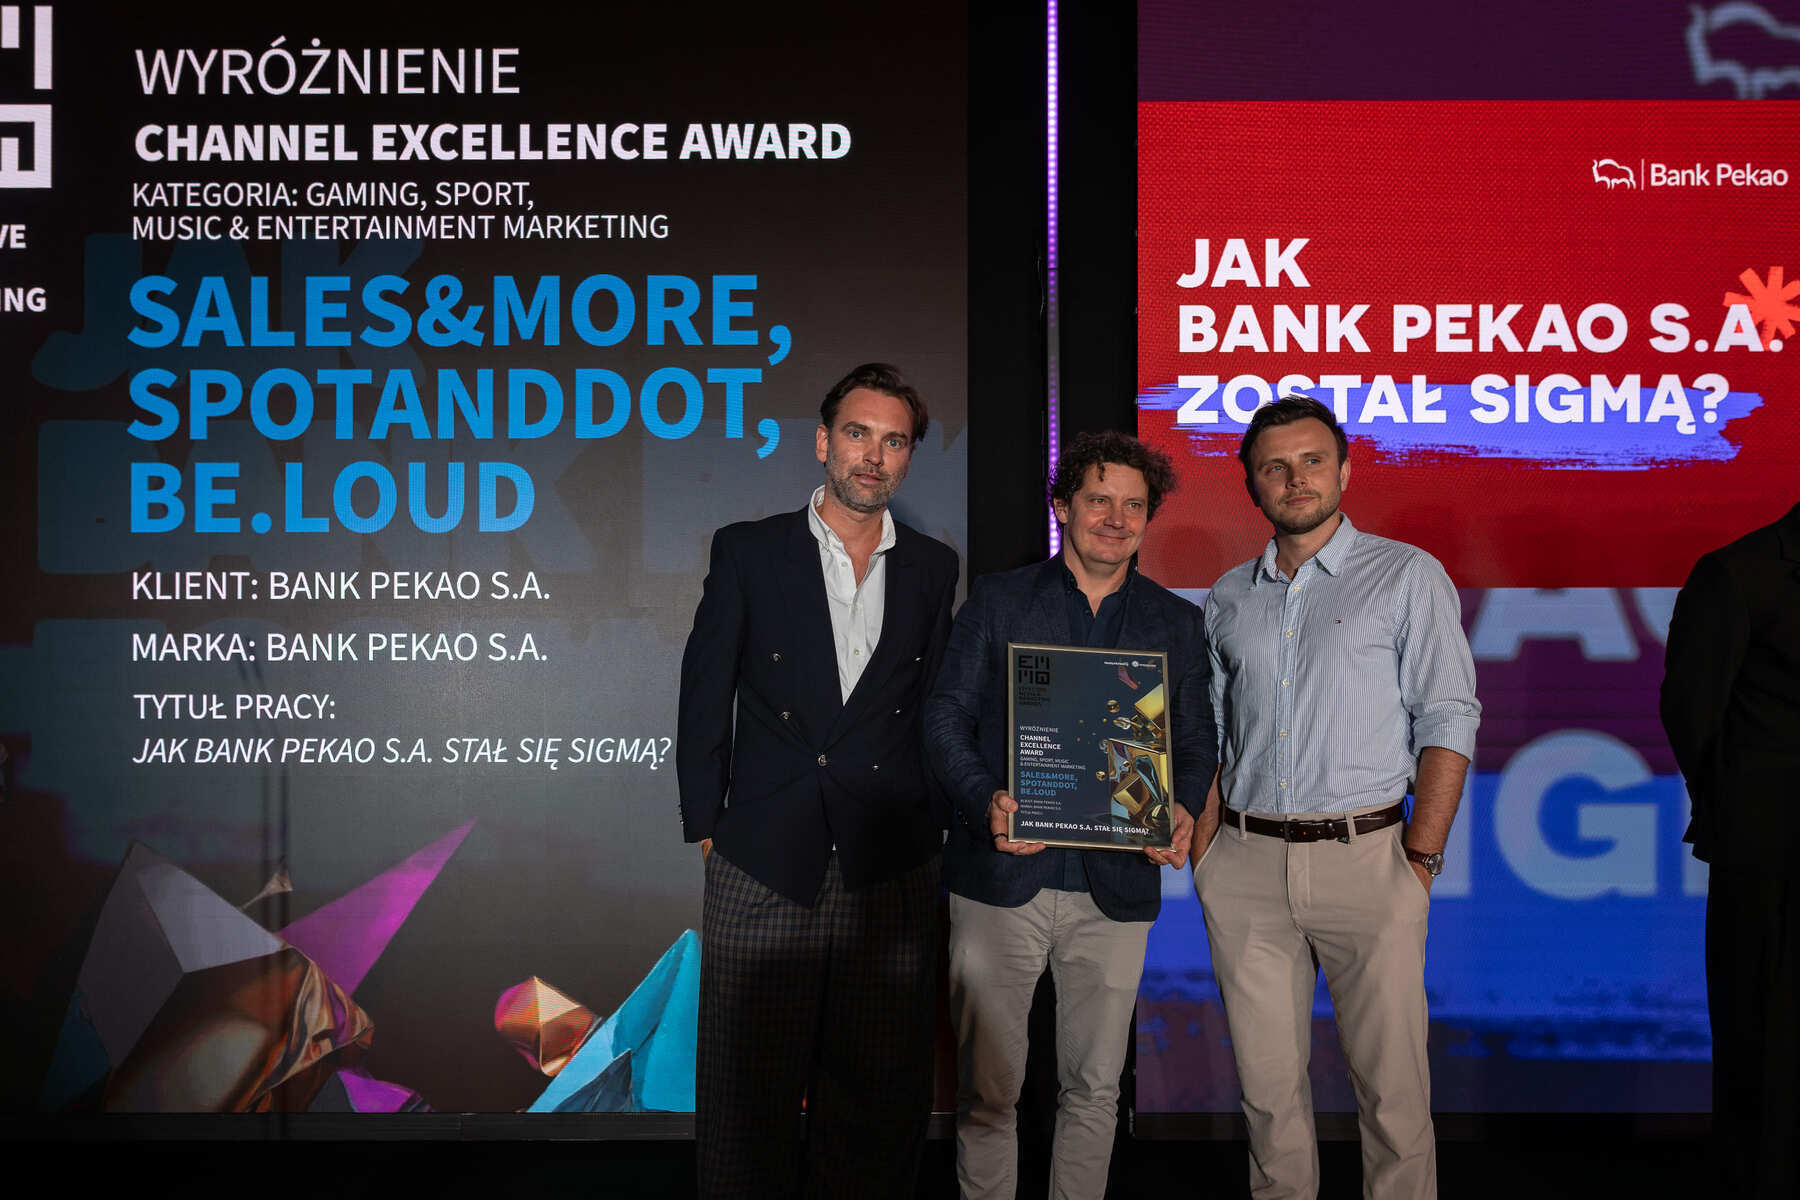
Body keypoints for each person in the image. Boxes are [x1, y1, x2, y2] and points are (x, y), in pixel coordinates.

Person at [677, 363, 959, 1197]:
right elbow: (704, 695)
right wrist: (709, 826)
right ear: (822, 443)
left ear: (908, 457)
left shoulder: (934, 567)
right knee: (746, 1096)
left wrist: (939, 825)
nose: (873, 455)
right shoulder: (749, 549)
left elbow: (935, 706)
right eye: (857, 434)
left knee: (878, 1096)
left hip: (890, 862)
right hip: (764, 857)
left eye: (894, 441)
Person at [1193, 396, 1479, 1200]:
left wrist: (1419, 859)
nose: (1296, 478)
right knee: (1267, 1095)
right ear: (1251, 484)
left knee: (1393, 1094)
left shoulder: (1407, 575)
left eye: (1313, 460)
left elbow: (1448, 717)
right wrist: (1208, 851)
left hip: (1370, 859)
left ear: (1345, 470)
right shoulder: (1229, 596)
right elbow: (1212, 732)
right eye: (1275, 466)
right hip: (1245, 865)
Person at [925, 430, 1215, 1199]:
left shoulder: (1176, 624)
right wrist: (985, 798)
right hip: (1000, 878)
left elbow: (1194, 741)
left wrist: (1183, 808)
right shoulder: (1000, 600)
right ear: (1062, 507)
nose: (1115, 519)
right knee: (989, 1091)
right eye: (1098, 500)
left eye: (1133, 506)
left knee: (1094, 1089)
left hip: (1116, 884)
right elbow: (945, 718)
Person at [1660, 502, 1800, 1199]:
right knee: (1766, 1053)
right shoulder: (1739, 573)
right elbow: (1692, 714)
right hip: (1772, 859)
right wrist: (1745, 809)